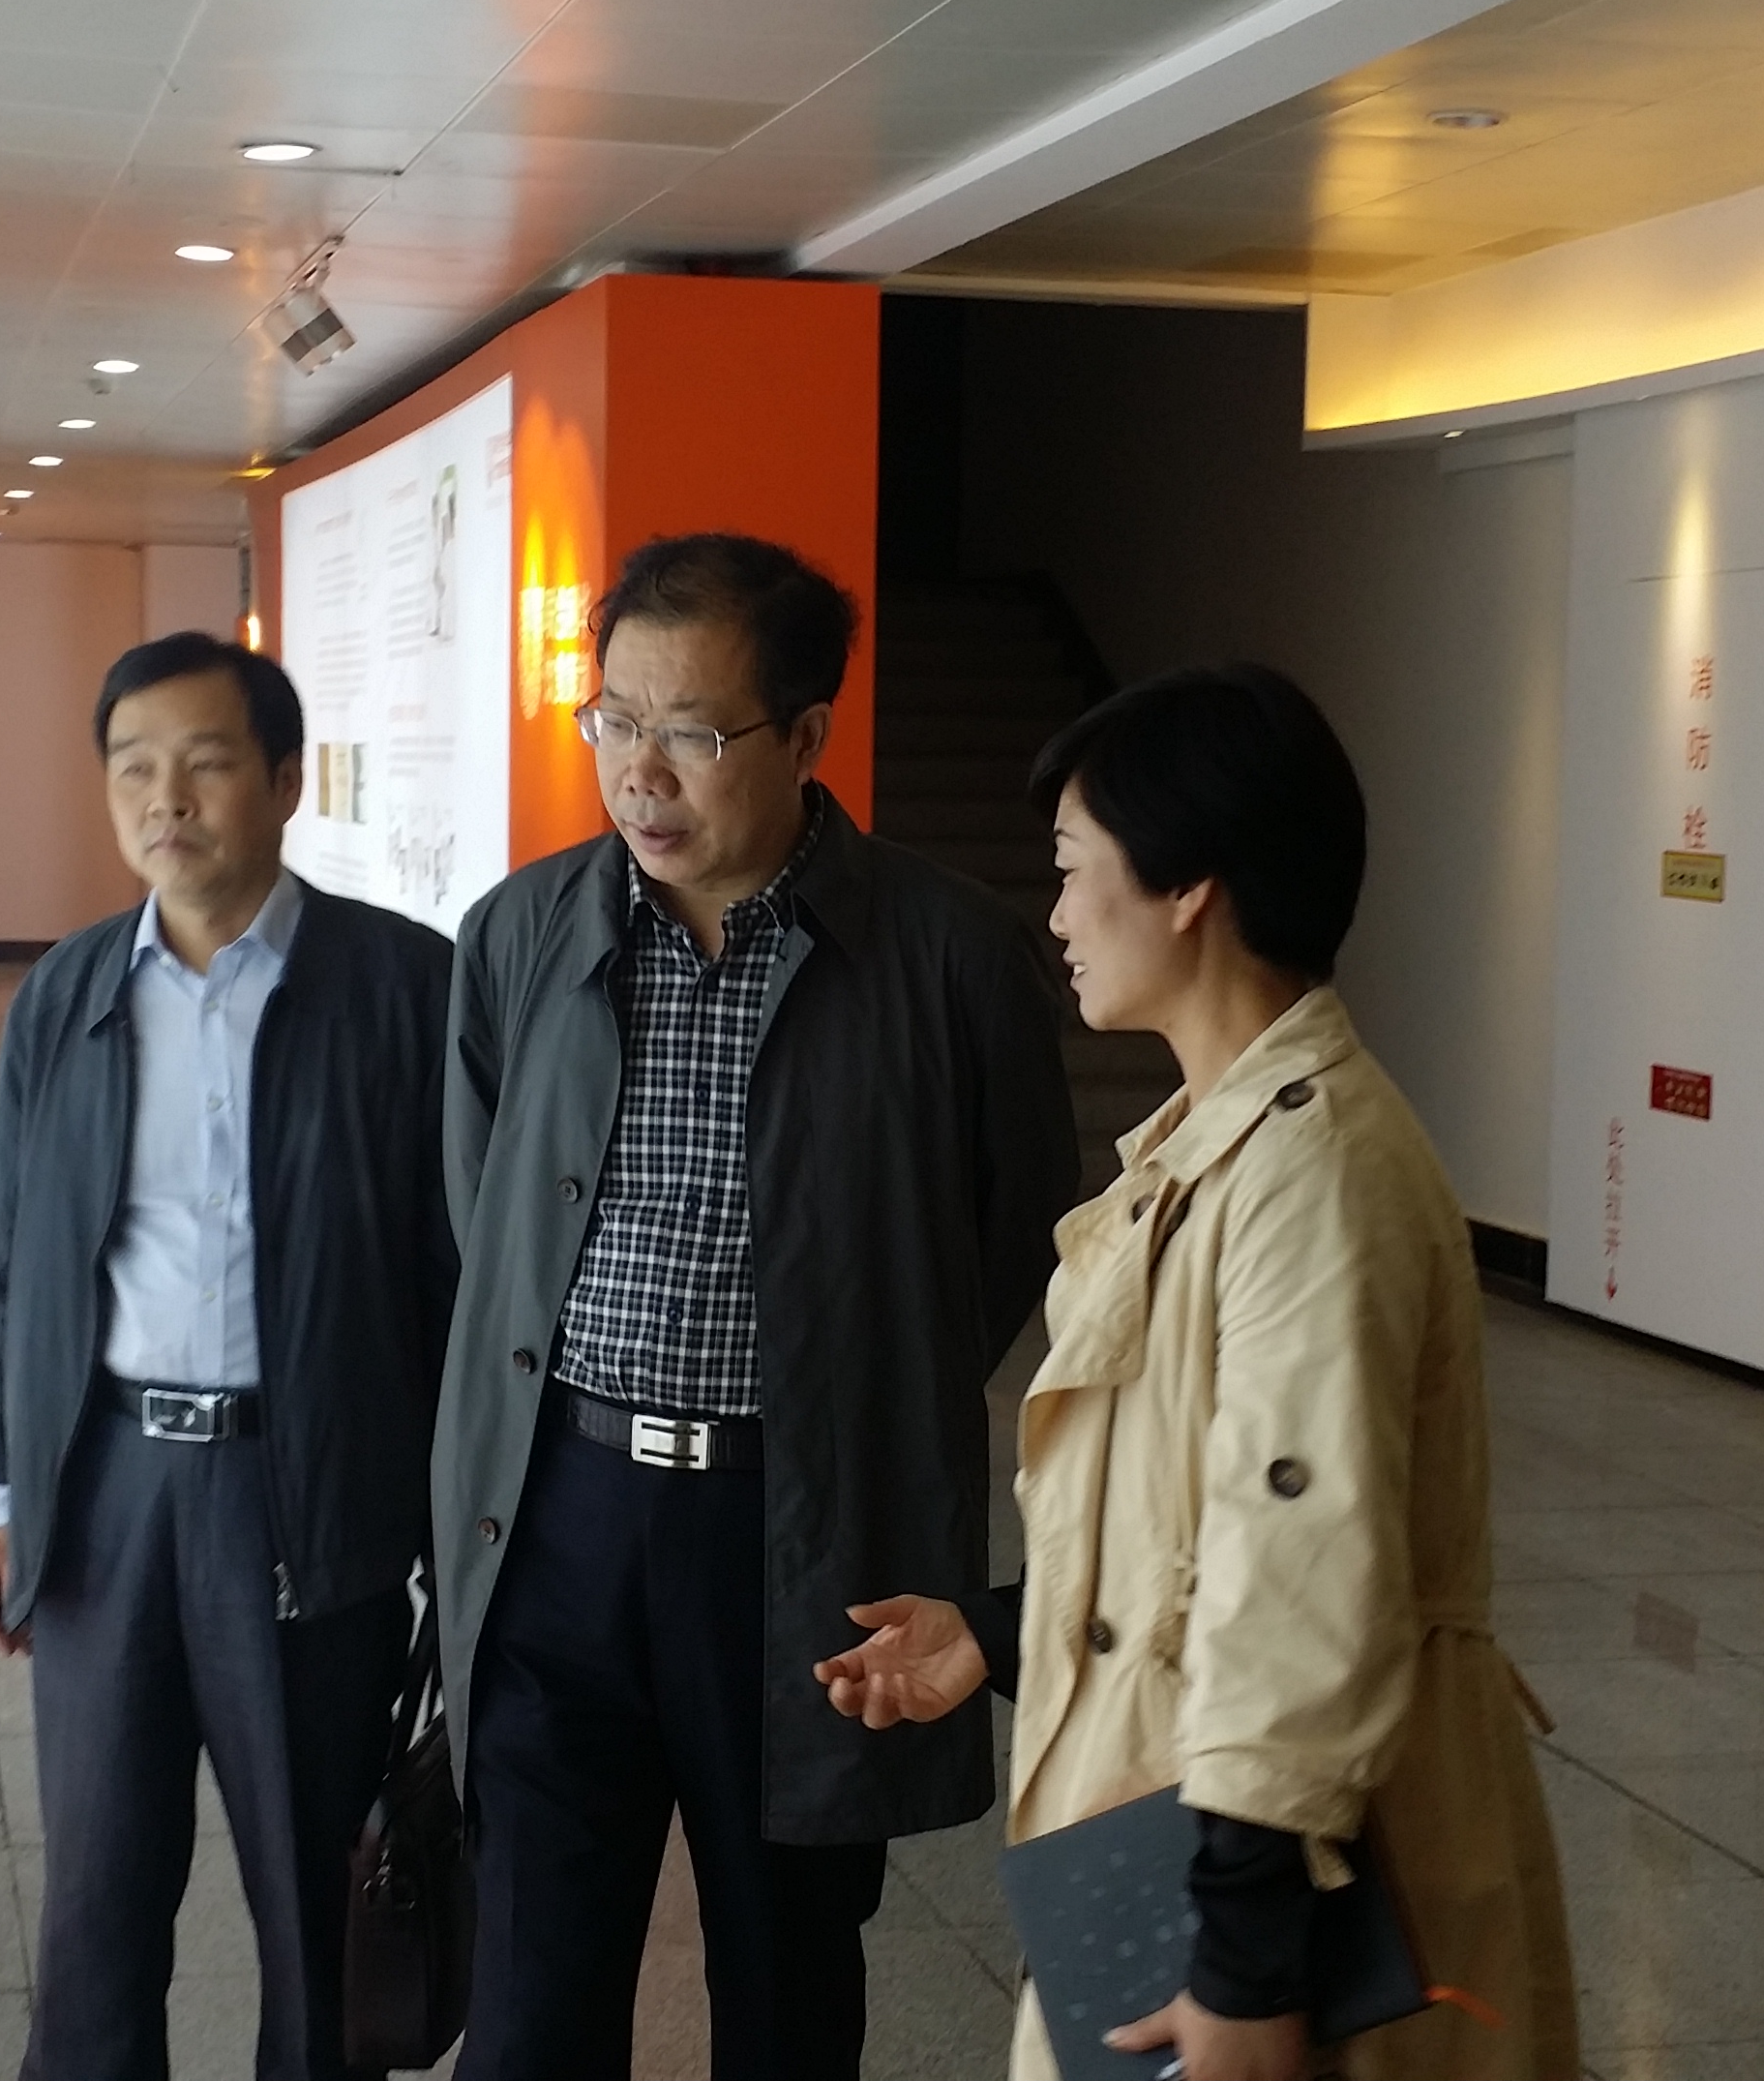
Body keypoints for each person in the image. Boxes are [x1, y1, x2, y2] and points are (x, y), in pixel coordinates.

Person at [815, 665, 1579, 2081]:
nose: (1053, 916)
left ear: (1187, 889)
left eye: (1071, 869)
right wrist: (1002, 1627)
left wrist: (1241, 1969)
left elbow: (1299, 1580)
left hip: (1295, 1891)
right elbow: (1201, 1526)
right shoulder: (1212, 1150)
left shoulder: (1312, 1175)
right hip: (1186, 1835)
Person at [433, 533, 1078, 2081]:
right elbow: (480, 1209)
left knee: (787, 1981)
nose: (641, 772)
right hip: (563, 1513)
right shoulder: (523, 932)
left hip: (798, 1534)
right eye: (614, 720)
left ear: (806, 735)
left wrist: (862, 1385)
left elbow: (1009, 1235)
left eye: (694, 733)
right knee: (528, 1995)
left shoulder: (949, 953)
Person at [0, 632, 458, 2081]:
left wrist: (453, 1528)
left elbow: (458, 1273)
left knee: (317, 1906)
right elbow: (15, 1271)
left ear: (286, 781)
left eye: (205, 763)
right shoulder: (65, 995)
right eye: (133, 769)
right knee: (95, 1904)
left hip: (305, 1494)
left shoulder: (403, 988)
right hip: (106, 1489)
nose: (164, 799)